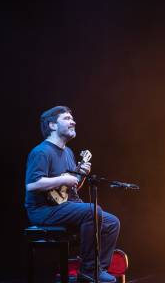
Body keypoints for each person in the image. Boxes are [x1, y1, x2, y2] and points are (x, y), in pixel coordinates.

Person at [24, 106, 120, 282]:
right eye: (67, 118)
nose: (73, 121)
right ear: (52, 125)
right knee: (92, 210)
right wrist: (63, 179)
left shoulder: (68, 152)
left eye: (72, 118)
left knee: (112, 222)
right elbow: (32, 185)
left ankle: (98, 269)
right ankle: (88, 270)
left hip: (62, 205)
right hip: (43, 210)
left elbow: (69, 190)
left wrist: (79, 175)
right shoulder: (41, 152)